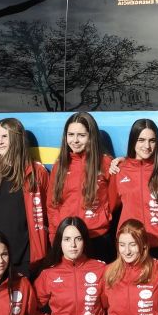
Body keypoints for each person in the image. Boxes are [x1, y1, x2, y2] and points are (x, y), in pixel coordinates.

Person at [0, 118, 50, 278]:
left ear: (16, 139)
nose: (0, 142)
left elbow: (48, 211)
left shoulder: (36, 172)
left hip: (24, 254)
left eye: (5, 136)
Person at [47, 112, 115, 262]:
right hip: (68, 241)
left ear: (91, 136)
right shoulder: (60, 166)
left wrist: (101, 218)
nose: (75, 140)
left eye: (81, 135)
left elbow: (115, 201)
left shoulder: (105, 163)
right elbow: (52, 205)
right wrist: (54, 237)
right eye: (71, 134)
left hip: (97, 238)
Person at [109, 119, 158, 261]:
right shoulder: (120, 170)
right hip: (132, 246)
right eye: (141, 140)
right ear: (133, 141)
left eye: (152, 140)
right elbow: (110, 207)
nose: (147, 146)